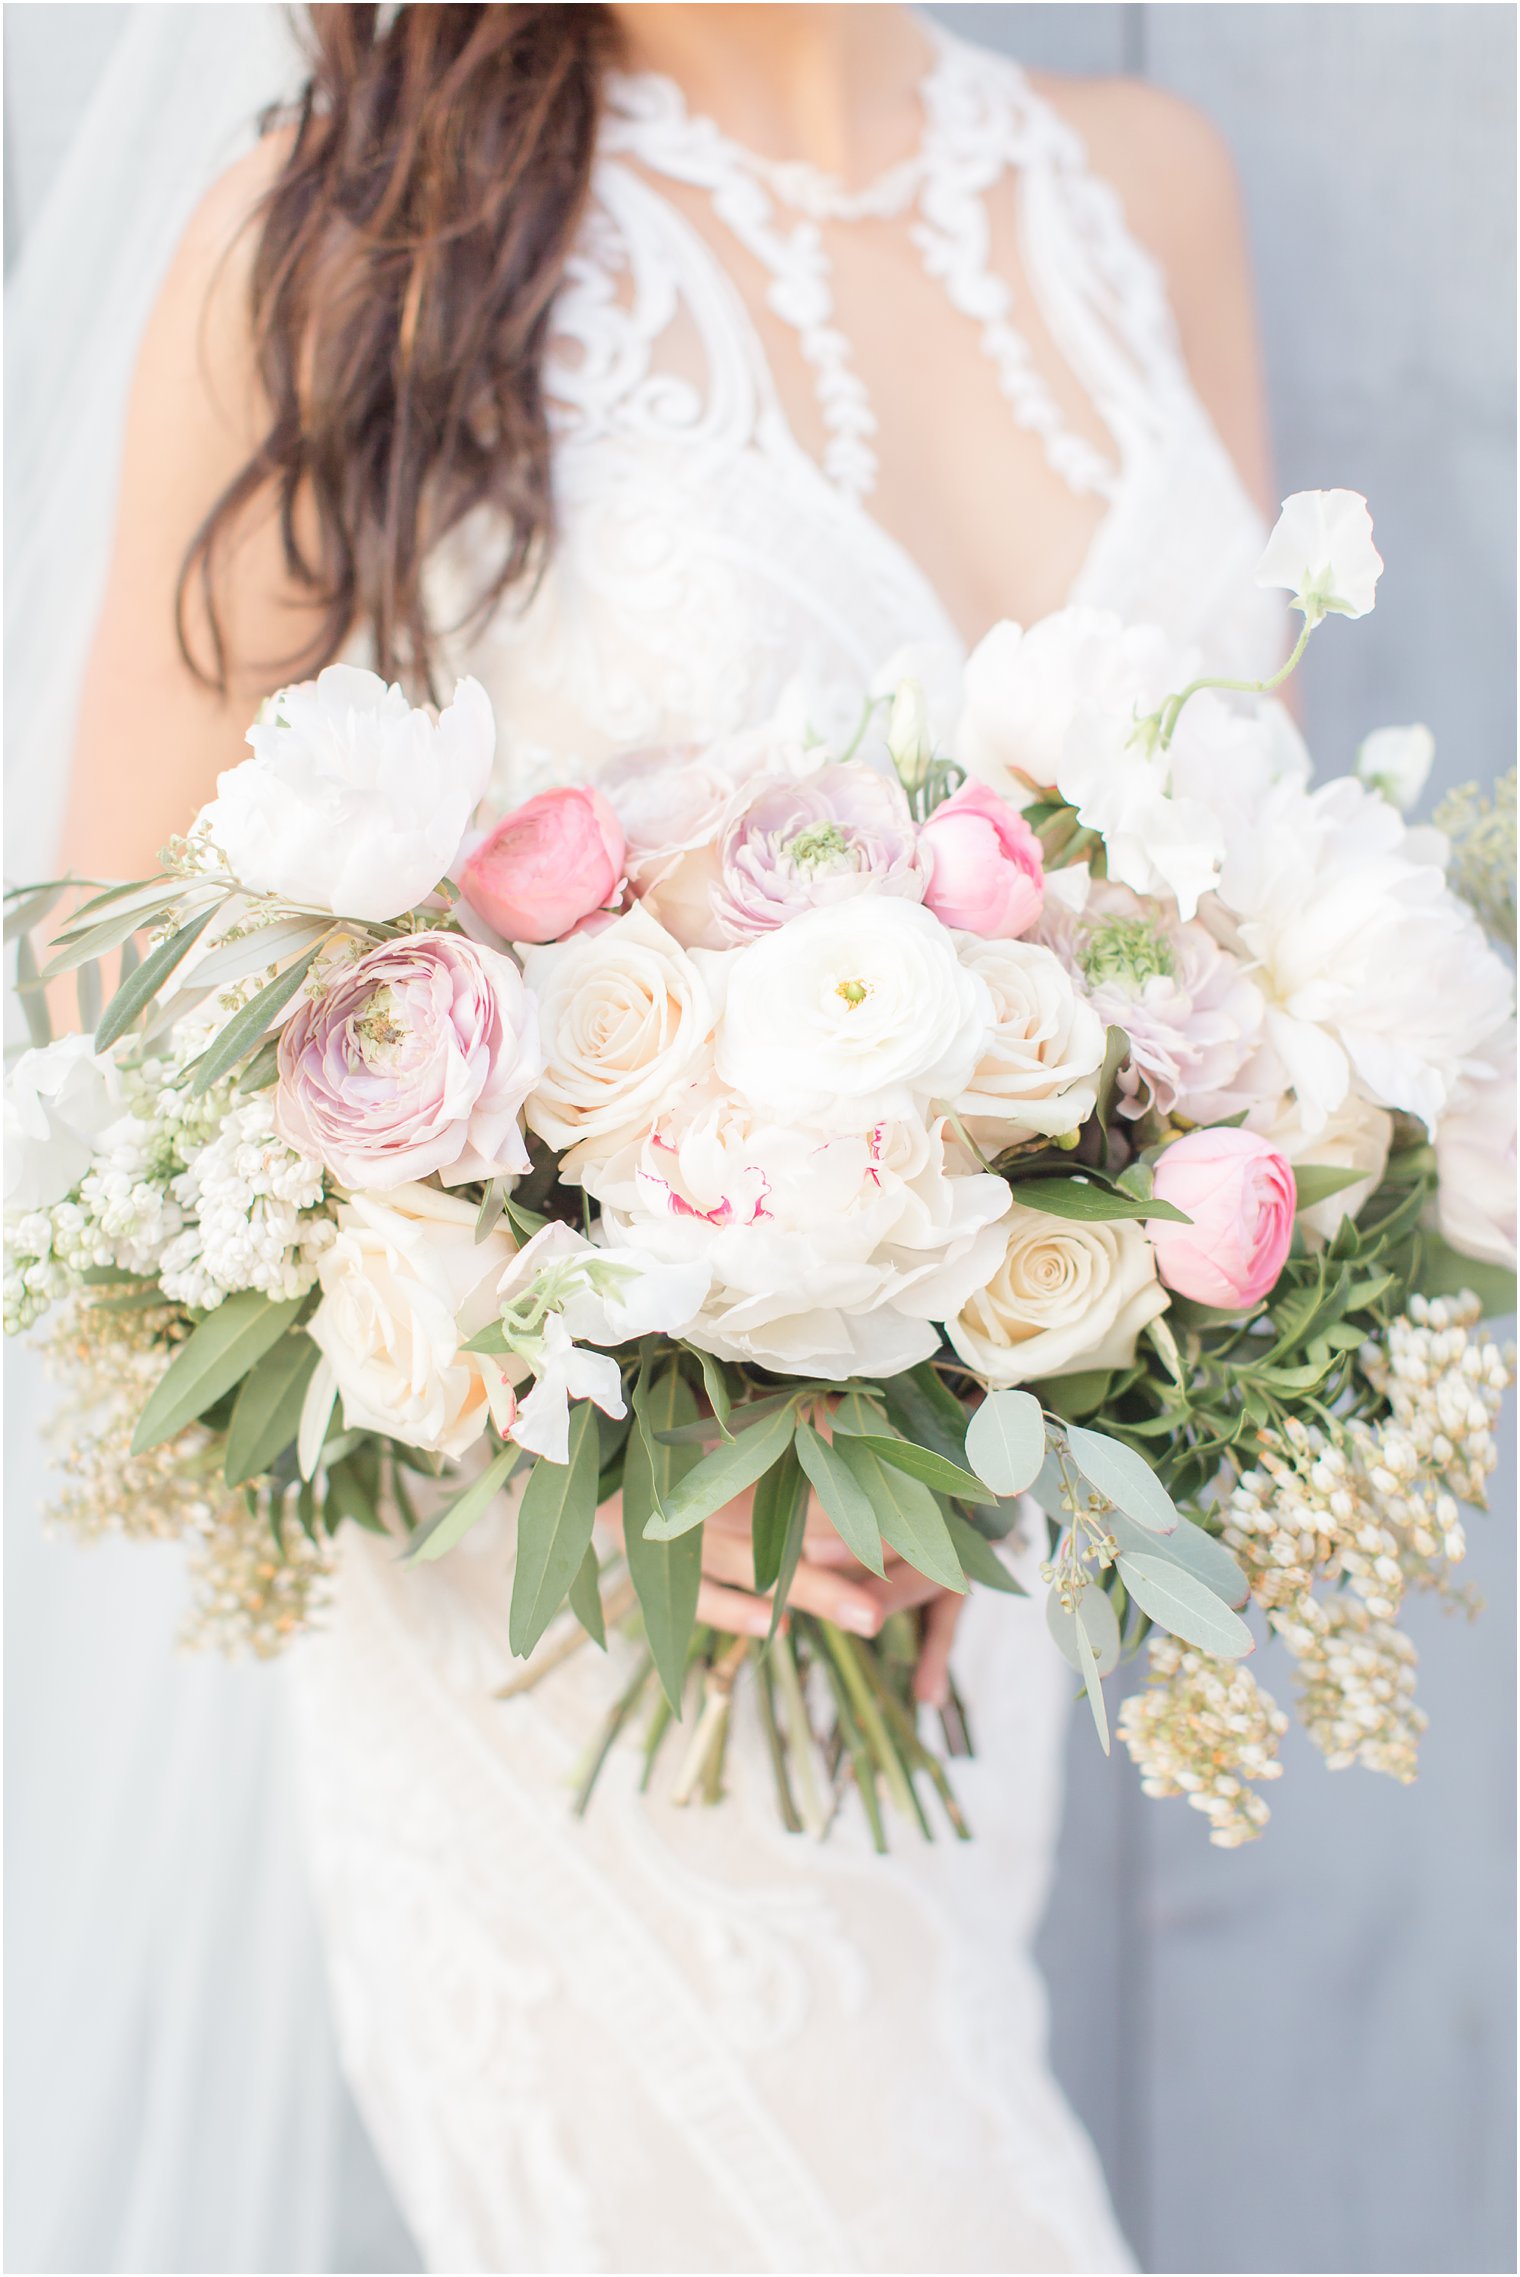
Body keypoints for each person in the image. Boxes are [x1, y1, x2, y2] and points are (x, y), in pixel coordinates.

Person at [53, 6, 1286, 2268]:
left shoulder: (1145, 189)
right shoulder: (347, 233)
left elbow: (1263, 940)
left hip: (961, 1619)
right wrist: (584, 1442)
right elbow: (107, 1024)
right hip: (570, 1635)